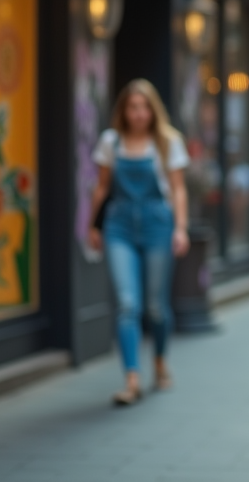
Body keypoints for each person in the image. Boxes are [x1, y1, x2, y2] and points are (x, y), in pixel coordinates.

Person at [88, 79, 189, 406]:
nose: (139, 113)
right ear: (123, 110)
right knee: (128, 304)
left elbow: (178, 189)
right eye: (133, 107)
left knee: (156, 307)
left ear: (153, 109)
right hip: (119, 226)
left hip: (158, 225)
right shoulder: (110, 142)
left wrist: (181, 229)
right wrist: (93, 226)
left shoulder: (167, 142)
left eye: (144, 107)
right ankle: (132, 378)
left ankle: (159, 360)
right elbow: (101, 187)